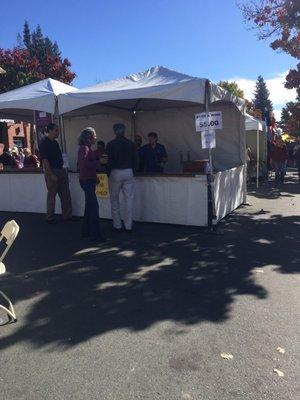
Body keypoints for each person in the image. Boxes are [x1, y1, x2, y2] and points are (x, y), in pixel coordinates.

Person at [106, 123, 138, 232]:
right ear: (124, 131)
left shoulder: (110, 144)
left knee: (114, 199)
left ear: (115, 131)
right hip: (128, 171)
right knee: (129, 199)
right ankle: (128, 225)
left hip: (115, 172)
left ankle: (117, 225)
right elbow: (135, 159)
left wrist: (107, 173)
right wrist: (133, 169)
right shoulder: (130, 143)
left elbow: (109, 161)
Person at [77, 127, 107, 242]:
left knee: (89, 206)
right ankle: (95, 235)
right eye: (94, 135)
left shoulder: (86, 148)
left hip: (88, 180)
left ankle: (86, 231)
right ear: (89, 137)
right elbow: (85, 165)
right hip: (86, 181)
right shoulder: (85, 148)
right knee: (94, 207)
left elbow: (87, 166)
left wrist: (95, 177)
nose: (96, 137)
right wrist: (99, 162)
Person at [39, 123, 72, 223]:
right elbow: (45, 161)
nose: (58, 132)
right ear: (49, 131)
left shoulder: (55, 143)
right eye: (56, 130)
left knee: (66, 194)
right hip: (52, 170)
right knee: (52, 195)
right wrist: (51, 174)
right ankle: (50, 217)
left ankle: (67, 215)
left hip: (60, 169)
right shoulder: (44, 143)